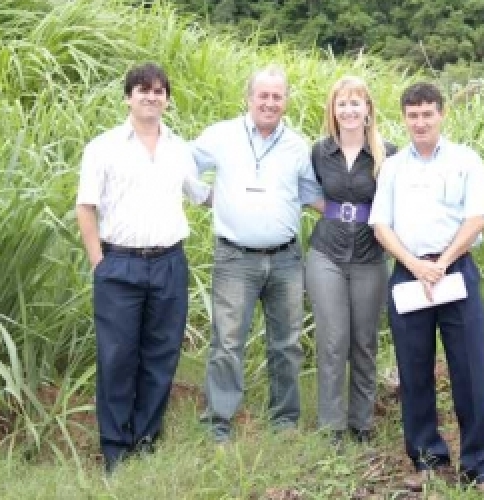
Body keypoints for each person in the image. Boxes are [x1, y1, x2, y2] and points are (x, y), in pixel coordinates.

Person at [75, 62, 210, 474]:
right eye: (142, 90)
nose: (151, 97)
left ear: (167, 99)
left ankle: (146, 439)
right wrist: (100, 261)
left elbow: (203, 196)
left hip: (169, 262)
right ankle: (115, 448)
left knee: (161, 354)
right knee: (117, 357)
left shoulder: (179, 149)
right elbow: (86, 206)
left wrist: (255, 195)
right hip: (120, 265)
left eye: (158, 91)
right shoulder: (104, 147)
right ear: (128, 97)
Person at [368, 82, 484, 495]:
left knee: (470, 370)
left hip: (454, 271)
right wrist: (414, 265)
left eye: (428, 114)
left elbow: (478, 217)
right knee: (414, 371)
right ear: (404, 118)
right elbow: (380, 224)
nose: (420, 122)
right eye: (413, 115)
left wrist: (440, 264)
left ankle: (481, 468)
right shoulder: (392, 167)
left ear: (441, 114)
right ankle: (426, 460)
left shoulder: (465, 160)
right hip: (409, 275)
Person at [192, 65, 323, 443]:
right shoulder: (222, 136)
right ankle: (219, 423)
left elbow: (311, 194)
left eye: (276, 96)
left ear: (285, 101)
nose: (269, 103)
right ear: (249, 98)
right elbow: (183, 165)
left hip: (286, 259)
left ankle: (284, 421)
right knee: (227, 341)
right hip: (235, 258)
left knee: (287, 343)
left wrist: (357, 215)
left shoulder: (298, 146)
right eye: (262, 96)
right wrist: (204, 196)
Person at [304, 76, 396, 445]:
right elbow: (305, 188)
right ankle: (331, 426)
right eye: (342, 103)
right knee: (332, 339)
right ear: (333, 110)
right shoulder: (319, 151)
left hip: (369, 256)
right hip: (326, 252)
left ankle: (361, 422)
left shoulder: (387, 153)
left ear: (368, 110)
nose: (349, 110)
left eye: (356, 103)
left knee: (363, 340)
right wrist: (333, 210)